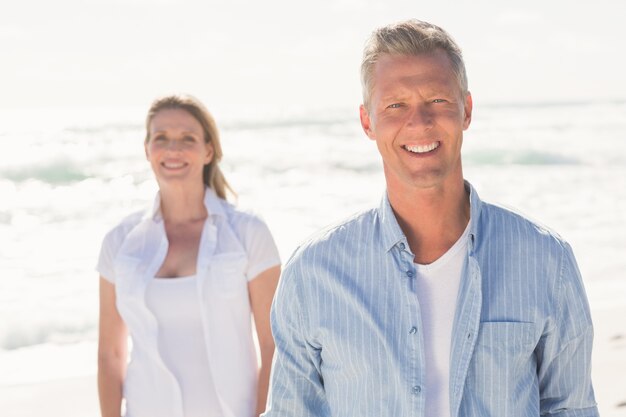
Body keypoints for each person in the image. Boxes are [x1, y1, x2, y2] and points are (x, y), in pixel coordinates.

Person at [263, 20, 598, 417]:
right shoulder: (313, 273)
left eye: (437, 101)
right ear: (367, 121)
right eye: (395, 105)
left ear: (466, 110)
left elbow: (572, 409)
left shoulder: (546, 260)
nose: (419, 122)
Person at [97, 94, 281, 417]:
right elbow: (110, 354)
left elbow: (274, 346)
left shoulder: (247, 233)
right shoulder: (120, 242)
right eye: (161, 138)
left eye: (187, 138)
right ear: (147, 149)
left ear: (208, 150)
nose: (173, 150)